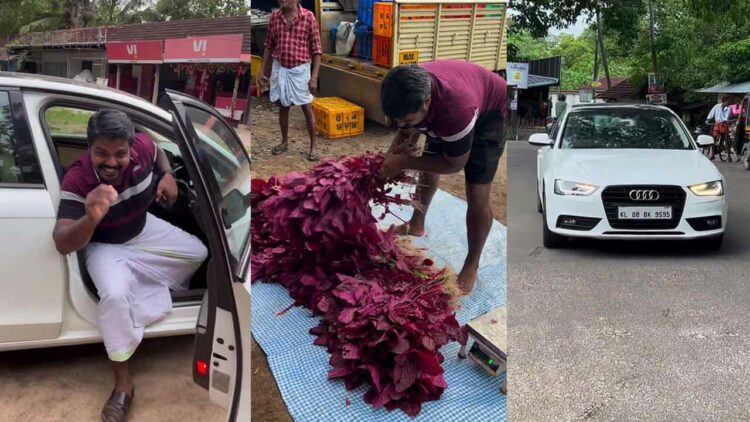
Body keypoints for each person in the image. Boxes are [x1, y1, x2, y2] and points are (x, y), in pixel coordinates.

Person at [52, 109, 208, 421]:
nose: (111, 162)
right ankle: (123, 385)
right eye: (101, 153)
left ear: (130, 147)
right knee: (113, 295)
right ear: (89, 148)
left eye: (119, 153)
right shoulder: (78, 178)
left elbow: (160, 152)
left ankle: (137, 286)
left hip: (142, 229)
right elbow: (62, 241)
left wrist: (167, 175)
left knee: (198, 252)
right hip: (103, 245)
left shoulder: (144, 147)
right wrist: (92, 216)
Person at [379, 61, 506, 295]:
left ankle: (472, 264)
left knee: (477, 193)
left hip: (490, 113)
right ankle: (416, 225)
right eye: (397, 120)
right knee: (428, 162)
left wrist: (402, 162)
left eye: (407, 120)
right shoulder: (408, 87)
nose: (401, 125)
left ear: (427, 102)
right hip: (451, 106)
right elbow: (405, 135)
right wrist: (389, 160)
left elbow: (453, 164)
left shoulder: (455, 110)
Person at [260, 0, 323, 161]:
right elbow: (268, 45)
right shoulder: (275, 17)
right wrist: (262, 70)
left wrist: (314, 77)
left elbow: (317, 50)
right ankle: (284, 142)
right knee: (283, 105)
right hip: (281, 67)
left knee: (306, 107)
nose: (282, 0)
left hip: (300, 69)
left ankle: (313, 146)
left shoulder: (309, 17)